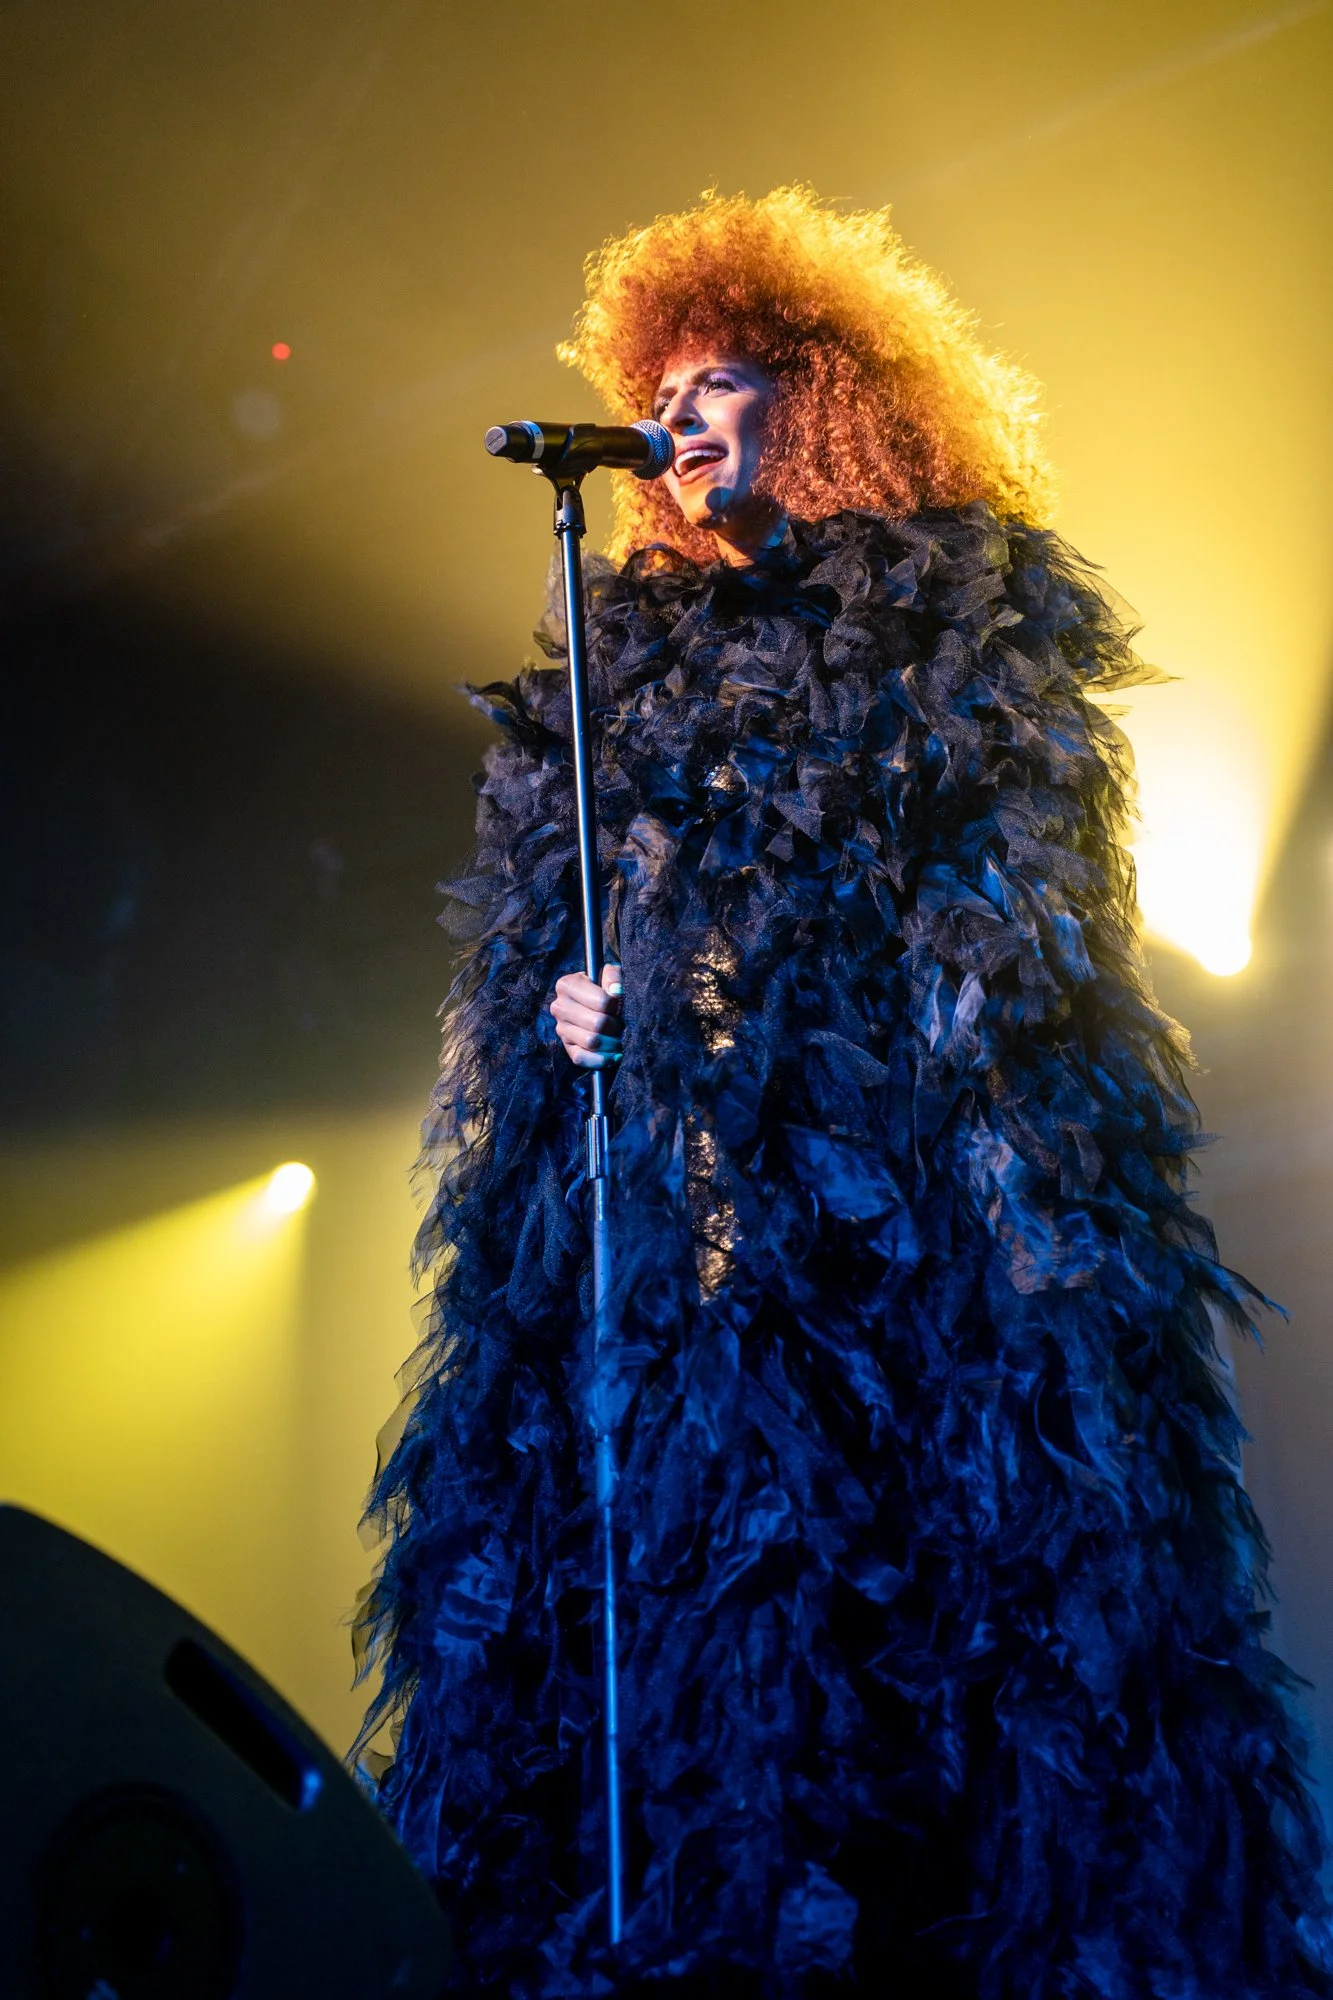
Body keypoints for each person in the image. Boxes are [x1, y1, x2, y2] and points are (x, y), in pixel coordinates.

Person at [354, 188, 1331, 1997]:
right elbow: (569, 941)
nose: (677, 419)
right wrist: (570, 1009)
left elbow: (1012, 968)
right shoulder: (626, 675)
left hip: (919, 1259)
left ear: (824, 397)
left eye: (717, 381)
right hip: (699, 1280)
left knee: (950, 1690)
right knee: (712, 1675)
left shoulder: (964, 624)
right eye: (658, 394)